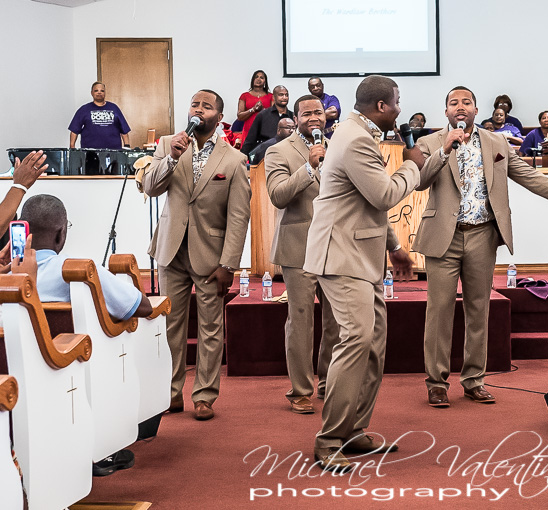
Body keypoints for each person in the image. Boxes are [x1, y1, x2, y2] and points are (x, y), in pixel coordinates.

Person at [415, 86, 548, 408]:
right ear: (446, 111)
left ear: (477, 110)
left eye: (466, 102)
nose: (460, 107)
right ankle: (436, 383)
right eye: (454, 103)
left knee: (479, 310)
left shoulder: (497, 143)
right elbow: (420, 181)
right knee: (439, 312)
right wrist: (445, 150)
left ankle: (474, 380)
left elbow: (530, 177)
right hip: (442, 237)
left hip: (482, 235)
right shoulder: (429, 142)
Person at [303, 75, 422, 471]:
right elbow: (384, 195)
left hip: (361, 253)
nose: (400, 108)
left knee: (373, 344)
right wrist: (413, 166)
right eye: (397, 101)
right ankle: (329, 440)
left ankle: (354, 430)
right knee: (356, 338)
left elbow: (365, 204)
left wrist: (394, 247)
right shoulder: (355, 138)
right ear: (383, 106)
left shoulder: (357, 132)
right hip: (341, 255)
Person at [21, 194, 154, 477]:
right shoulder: (78, 271)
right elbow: (141, 307)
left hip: (17, 369)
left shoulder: (10, 275)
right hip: (68, 367)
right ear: (61, 234)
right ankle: (103, 445)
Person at [143, 89, 251, 421]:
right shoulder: (167, 145)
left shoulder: (234, 160)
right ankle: (171, 392)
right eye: (194, 104)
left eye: (207, 106)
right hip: (171, 251)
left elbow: (238, 217)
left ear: (219, 118)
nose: (198, 109)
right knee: (171, 326)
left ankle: (204, 395)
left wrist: (229, 264)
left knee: (210, 328)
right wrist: (172, 158)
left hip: (211, 256)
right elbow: (150, 187)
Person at [265, 94, 339, 414]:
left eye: (317, 112)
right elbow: (278, 195)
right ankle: (300, 389)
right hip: (299, 247)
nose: (313, 117)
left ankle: (328, 381)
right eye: (306, 113)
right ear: (296, 119)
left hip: (335, 246)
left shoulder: (338, 148)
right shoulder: (278, 151)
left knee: (335, 321)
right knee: (301, 320)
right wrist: (310, 166)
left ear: (326, 116)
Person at [69, 82, 131, 149]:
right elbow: (74, 130)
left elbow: (124, 130)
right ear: (92, 93)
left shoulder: (114, 108)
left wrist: (127, 147)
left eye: (102, 91)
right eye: (96, 91)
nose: (99, 93)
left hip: (113, 151)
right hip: (90, 152)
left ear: (105, 93)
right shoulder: (84, 109)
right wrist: (72, 147)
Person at [241, 85, 293, 155]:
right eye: (281, 95)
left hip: (287, 153)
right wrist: (243, 157)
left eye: (286, 95)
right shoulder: (263, 115)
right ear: (274, 97)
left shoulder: (293, 116)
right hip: (265, 154)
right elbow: (250, 139)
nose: (284, 97)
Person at [236, 70, 274, 146]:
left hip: (265, 132)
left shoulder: (271, 96)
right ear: (252, 79)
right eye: (256, 77)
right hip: (248, 132)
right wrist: (253, 109)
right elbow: (240, 116)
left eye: (261, 78)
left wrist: (263, 110)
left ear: (265, 81)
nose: (258, 79)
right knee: (247, 152)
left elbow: (274, 116)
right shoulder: (244, 96)